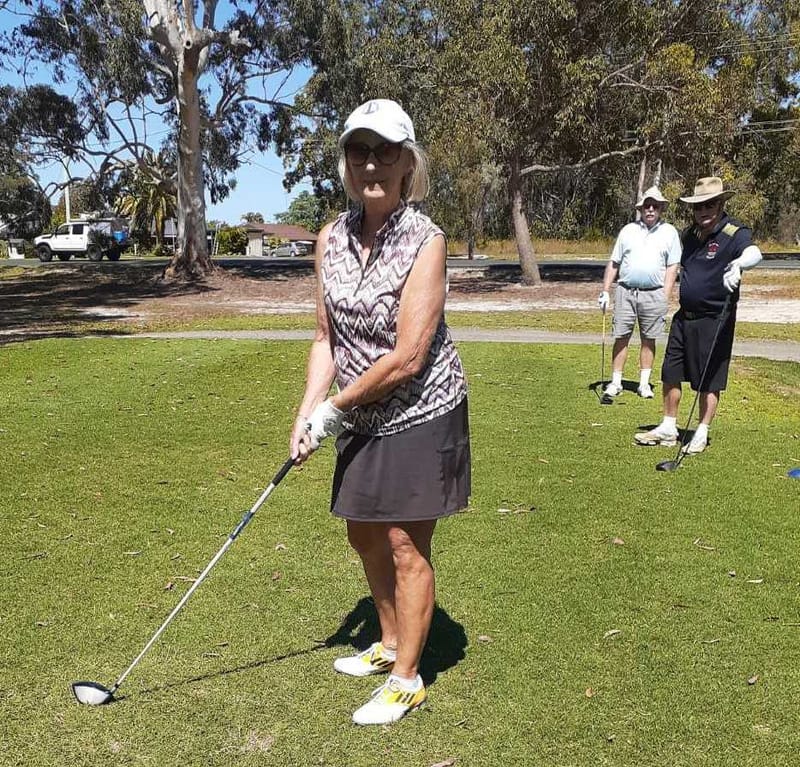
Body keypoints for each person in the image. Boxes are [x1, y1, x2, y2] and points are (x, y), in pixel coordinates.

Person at [289, 98, 470, 726]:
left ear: (407, 164)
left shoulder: (426, 240)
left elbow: (410, 355)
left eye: (385, 150)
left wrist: (332, 409)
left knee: (402, 541)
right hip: (356, 413)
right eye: (359, 149)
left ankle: (406, 677)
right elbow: (325, 338)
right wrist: (308, 410)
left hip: (421, 411)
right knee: (361, 529)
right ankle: (389, 639)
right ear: (344, 162)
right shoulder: (330, 238)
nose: (371, 162)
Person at [634, 176, 763, 453]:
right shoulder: (689, 235)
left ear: (720, 205)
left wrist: (740, 264)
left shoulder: (734, 232)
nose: (703, 211)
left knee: (709, 379)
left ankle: (702, 432)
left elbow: (755, 253)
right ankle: (669, 427)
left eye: (710, 204)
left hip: (715, 318)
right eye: (698, 206)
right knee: (670, 371)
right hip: (684, 317)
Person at [597, 185, 681, 399]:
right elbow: (614, 262)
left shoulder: (669, 232)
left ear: (661, 208)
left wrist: (665, 294)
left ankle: (644, 384)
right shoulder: (628, 230)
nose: (650, 209)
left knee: (649, 338)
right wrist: (606, 290)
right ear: (641, 208)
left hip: (654, 294)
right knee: (621, 336)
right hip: (626, 291)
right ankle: (615, 382)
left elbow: (672, 267)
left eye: (654, 206)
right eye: (647, 205)